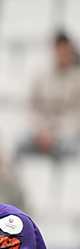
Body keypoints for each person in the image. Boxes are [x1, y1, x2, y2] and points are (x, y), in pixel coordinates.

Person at [19, 32, 80, 160]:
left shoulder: (77, 79)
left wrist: (55, 130)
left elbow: (76, 113)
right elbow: (30, 106)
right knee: (19, 142)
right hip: (40, 130)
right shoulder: (41, 76)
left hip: (65, 131)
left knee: (69, 145)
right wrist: (42, 129)